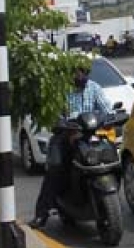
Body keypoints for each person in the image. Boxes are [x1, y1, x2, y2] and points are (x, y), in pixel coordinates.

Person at [29, 61, 113, 229]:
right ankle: (41, 214)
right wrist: (61, 124)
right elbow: (54, 115)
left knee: (109, 156)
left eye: (83, 72)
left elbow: (106, 109)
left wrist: (110, 118)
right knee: (56, 168)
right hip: (65, 135)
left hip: (89, 135)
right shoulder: (61, 91)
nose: (80, 75)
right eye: (76, 72)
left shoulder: (94, 88)